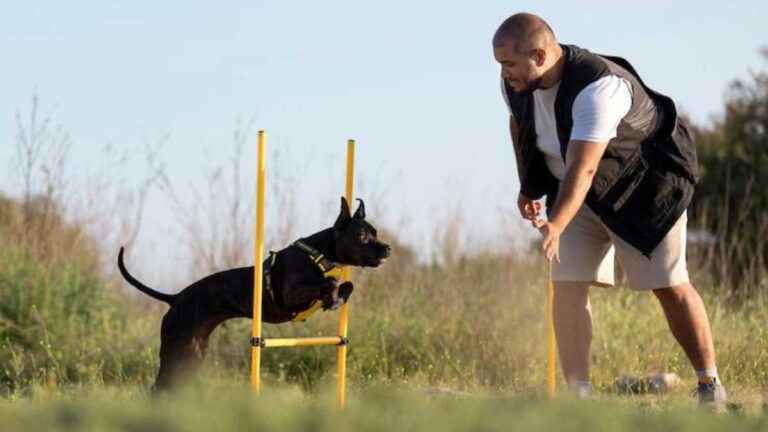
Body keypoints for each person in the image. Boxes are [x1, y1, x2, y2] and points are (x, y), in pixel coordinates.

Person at [493, 12, 726, 407]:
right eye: (500, 65)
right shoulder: (514, 84)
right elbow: (522, 127)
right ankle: (579, 399)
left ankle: (709, 385)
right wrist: (528, 187)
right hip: (579, 194)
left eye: (510, 64)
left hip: (641, 193)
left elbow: (584, 168)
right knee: (566, 287)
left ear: (540, 54)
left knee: (669, 286)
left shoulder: (598, 88)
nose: (504, 73)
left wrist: (555, 225)